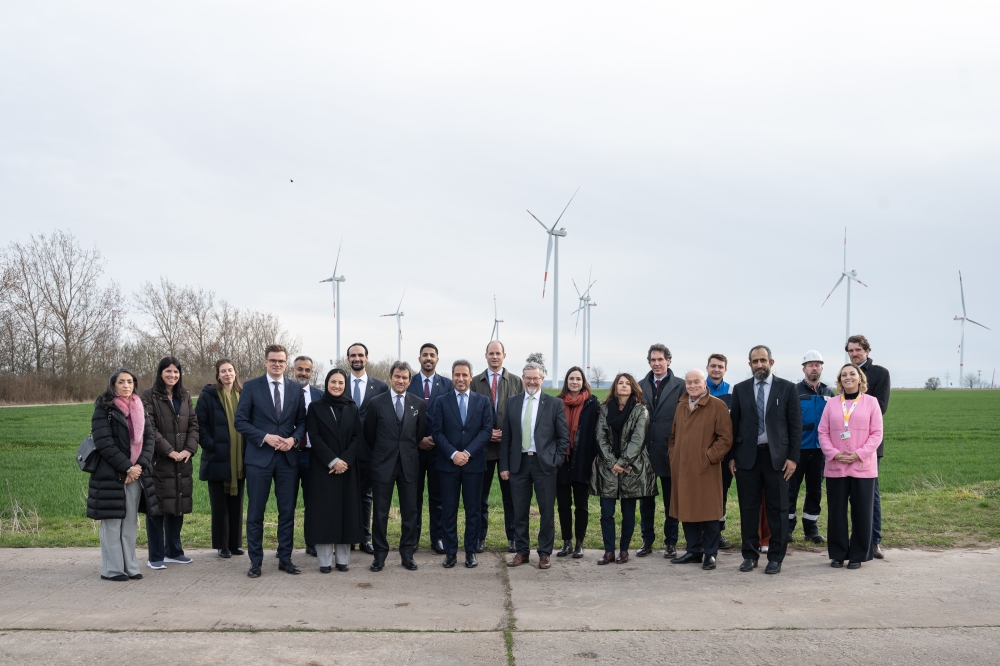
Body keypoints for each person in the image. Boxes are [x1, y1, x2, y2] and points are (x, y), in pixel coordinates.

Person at [234, 344, 307, 578]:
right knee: (256, 513)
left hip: (288, 460)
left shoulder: (296, 389)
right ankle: (255, 561)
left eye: (281, 361)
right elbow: (241, 422)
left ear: (287, 364)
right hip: (259, 460)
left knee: (287, 512)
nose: (277, 364)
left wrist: (293, 439)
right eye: (273, 360)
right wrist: (265, 437)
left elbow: (303, 422)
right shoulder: (252, 387)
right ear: (265, 362)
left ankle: (285, 558)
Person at [729, 345, 802, 574]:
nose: (759, 364)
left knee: (778, 508)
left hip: (778, 459)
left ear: (771, 362)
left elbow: (795, 426)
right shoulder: (740, 389)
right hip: (747, 458)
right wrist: (731, 456)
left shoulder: (787, 388)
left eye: (763, 360)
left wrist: (793, 458)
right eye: (755, 361)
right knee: (748, 508)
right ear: (749, 365)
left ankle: (775, 558)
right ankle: (749, 555)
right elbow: (733, 424)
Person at [500, 362, 569, 570]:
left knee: (546, 511)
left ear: (542, 379)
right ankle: (522, 552)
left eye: (535, 378)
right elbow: (507, 438)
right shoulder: (512, 402)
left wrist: (555, 460)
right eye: (528, 378)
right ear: (522, 378)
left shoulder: (553, 404)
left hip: (544, 465)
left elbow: (563, 438)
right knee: (519, 511)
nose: (531, 381)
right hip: (518, 464)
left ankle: (544, 553)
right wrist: (504, 466)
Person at [88, 368, 156, 581]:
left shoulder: (140, 407)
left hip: (136, 475)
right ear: (113, 385)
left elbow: (149, 440)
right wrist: (127, 467)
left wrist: (139, 468)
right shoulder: (104, 409)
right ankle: (112, 569)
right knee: (111, 522)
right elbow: (104, 443)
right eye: (121, 382)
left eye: (129, 382)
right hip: (110, 475)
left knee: (129, 523)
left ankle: (131, 566)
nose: (126, 385)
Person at [818, 363, 883, 569]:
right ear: (840, 380)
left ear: (860, 378)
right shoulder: (832, 404)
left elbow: (877, 434)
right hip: (836, 467)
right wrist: (835, 454)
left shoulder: (872, 403)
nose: (848, 377)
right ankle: (838, 553)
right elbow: (823, 432)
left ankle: (858, 554)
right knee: (836, 512)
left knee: (862, 512)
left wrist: (858, 454)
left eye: (852, 373)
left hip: (863, 467)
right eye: (844, 374)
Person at [363, 361, 426, 572]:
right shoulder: (376, 403)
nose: (401, 381)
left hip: (409, 465)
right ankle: (379, 556)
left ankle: (407, 554)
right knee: (380, 512)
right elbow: (370, 434)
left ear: (409, 380)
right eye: (397, 377)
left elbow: (418, 435)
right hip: (383, 464)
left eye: (405, 378)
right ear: (391, 378)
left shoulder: (417, 404)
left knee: (410, 512)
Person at [428, 360, 492, 569]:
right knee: (448, 510)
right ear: (452, 376)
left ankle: (471, 552)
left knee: (473, 510)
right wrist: (454, 454)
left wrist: (468, 453)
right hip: (448, 465)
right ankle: (451, 553)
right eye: (457, 375)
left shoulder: (483, 401)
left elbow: (486, 431)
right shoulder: (441, 401)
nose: (460, 379)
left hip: (474, 465)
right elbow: (437, 432)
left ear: (471, 377)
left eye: (464, 375)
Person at [667, 369, 733, 570]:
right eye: (689, 382)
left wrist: (709, 457)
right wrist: (673, 455)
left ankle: (710, 554)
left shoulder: (717, 406)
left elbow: (725, 438)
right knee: (687, 509)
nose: (692, 386)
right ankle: (694, 550)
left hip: (706, 469)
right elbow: (673, 436)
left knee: (709, 511)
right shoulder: (681, 406)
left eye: (697, 381)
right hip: (682, 468)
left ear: (705, 383)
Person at [590, 373, 655, 565]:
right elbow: (600, 437)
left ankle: (624, 550)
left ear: (633, 387)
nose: (624, 386)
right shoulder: (603, 409)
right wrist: (612, 463)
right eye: (620, 383)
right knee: (606, 513)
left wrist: (623, 463)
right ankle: (609, 551)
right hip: (607, 469)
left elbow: (638, 440)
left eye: (628, 383)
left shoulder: (640, 410)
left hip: (631, 469)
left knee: (628, 513)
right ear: (615, 386)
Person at [141, 356, 199, 569]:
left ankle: (174, 552)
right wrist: (169, 451)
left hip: (182, 462)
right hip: (159, 462)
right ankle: (155, 556)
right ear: (160, 373)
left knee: (177, 506)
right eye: (168, 372)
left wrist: (188, 450)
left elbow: (193, 424)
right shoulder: (148, 396)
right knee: (157, 509)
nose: (172, 376)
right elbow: (149, 428)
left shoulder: (184, 395)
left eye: (176, 372)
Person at [305, 368, 364, 573]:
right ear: (326, 384)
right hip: (324, 468)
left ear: (345, 385)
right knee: (324, 514)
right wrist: (332, 461)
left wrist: (344, 461)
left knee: (346, 512)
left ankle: (343, 560)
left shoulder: (352, 407)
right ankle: (324, 561)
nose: (337, 386)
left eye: (340, 383)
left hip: (347, 469)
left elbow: (358, 437)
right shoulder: (315, 407)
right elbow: (315, 436)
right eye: (333, 382)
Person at [470, 340, 523, 553]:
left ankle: (513, 537)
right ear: (485, 355)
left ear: (504, 355)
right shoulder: (475, 382)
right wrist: (486, 433)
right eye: (491, 353)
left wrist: (506, 434)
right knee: (479, 498)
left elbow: (521, 414)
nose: (494, 357)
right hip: (482, 450)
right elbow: (470, 414)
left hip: (507, 451)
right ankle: (479, 538)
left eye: (498, 353)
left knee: (510, 498)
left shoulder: (517, 382)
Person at [637, 344, 684, 558]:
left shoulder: (681, 386)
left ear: (668, 361)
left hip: (669, 451)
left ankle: (670, 542)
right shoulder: (639, 386)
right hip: (645, 452)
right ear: (649, 362)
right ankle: (647, 541)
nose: (656, 363)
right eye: (653, 360)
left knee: (670, 502)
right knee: (646, 502)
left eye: (660, 360)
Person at [196, 359, 246, 559]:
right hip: (217, 457)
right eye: (223, 371)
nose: (227, 374)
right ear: (217, 375)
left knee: (237, 503)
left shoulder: (243, 394)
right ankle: (222, 545)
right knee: (220, 505)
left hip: (239, 458)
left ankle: (234, 544)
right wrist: (212, 446)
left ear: (235, 373)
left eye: (230, 370)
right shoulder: (208, 396)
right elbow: (199, 424)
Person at [846, 334, 891, 559]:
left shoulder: (880, 373)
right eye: (851, 351)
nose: (854, 354)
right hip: (846, 445)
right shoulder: (846, 372)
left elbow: (880, 408)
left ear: (867, 351)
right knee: (850, 494)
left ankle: (873, 541)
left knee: (870, 494)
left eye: (858, 350)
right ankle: (854, 539)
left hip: (869, 445)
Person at [407, 343, 453, 554]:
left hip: (438, 450)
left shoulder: (447, 384)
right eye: (424, 355)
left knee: (438, 498)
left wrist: (435, 438)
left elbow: (451, 416)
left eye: (432, 355)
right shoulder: (409, 382)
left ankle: (438, 539)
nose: (428, 358)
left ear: (437, 359)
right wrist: (418, 440)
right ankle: (413, 539)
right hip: (413, 450)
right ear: (419, 359)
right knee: (413, 497)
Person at [346, 342, 389, 554]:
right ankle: (346, 537)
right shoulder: (338, 383)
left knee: (366, 496)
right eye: (353, 355)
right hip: (343, 452)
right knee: (344, 495)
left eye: (360, 355)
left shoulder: (380, 387)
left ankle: (365, 538)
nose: (357, 358)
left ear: (367, 358)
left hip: (369, 452)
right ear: (348, 359)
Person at [555, 366, 599, 559]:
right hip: (561, 460)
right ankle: (567, 542)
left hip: (582, 460)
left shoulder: (592, 404)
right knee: (563, 505)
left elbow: (596, 434)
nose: (574, 382)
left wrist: (593, 458)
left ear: (583, 382)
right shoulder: (556, 403)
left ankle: (580, 543)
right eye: (571, 378)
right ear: (567, 381)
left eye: (578, 379)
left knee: (581, 505)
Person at [790, 350, 833, 544]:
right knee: (791, 489)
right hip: (798, 450)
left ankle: (811, 528)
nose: (814, 368)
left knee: (815, 490)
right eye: (810, 365)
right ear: (804, 368)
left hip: (820, 451)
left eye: (817, 365)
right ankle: (787, 528)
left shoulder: (829, 393)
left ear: (821, 368)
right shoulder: (794, 391)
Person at [293, 355, 323, 557]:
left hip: (313, 456)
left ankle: (312, 543)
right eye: (300, 369)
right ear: (293, 370)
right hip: (289, 455)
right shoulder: (284, 391)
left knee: (313, 502)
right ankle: (284, 546)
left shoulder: (320, 395)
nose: (304, 373)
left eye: (308, 370)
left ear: (312, 372)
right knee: (286, 503)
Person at [706, 353, 735, 549]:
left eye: (720, 366)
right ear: (707, 368)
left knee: (721, 492)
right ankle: (701, 533)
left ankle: (718, 532)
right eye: (713, 366)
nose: (717, 369)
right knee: (702, 492)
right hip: (702, 452)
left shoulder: (733, 391)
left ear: (725, 369)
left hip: (724, 452)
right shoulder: (698, 387)